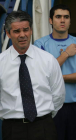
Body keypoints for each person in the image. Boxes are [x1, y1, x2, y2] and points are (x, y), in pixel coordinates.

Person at [0, 10, 65, 140]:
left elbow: (58, 95)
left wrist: (43, 116)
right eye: (17, 31)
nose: (22, 35)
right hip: (13, 129)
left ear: (31, 30)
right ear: (8, 33)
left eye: (26, 30)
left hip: (44, 126)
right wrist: (13, 116)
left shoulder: (48, 60)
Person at [34, 4, 76, 140]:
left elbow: (48, 75)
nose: (62, 20)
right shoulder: (40, 45)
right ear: (50, 20)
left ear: (70, 20)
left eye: (66, 17)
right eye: (58, 17)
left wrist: (57, 77)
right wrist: (66, 54)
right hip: (51, 107)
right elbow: (41, 75)